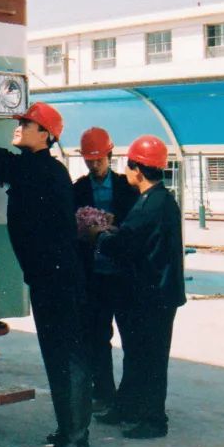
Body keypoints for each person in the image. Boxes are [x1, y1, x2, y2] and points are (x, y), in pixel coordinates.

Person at [0, 102, 92, 447]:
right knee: (61, 356)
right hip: (53, 278)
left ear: (46, 135)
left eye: (28, 123)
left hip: (57, 280)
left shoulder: (40, 169)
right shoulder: (43, 169)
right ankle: (70, 430)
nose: (19, 126)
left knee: (67, 358)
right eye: (20, 121)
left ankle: (77, 440)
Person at [91, 135, 185, 439]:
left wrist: (99, 235)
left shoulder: (150, 205)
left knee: (150, 359)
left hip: (153, 296)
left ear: (138, 170)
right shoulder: (158, 199)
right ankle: (127, 407)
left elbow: (125, 244)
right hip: (152, 293)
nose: (127, 172)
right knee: (136, 355)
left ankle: (153, 420)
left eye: (129, 166)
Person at [72, 127, 138, 412]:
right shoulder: (79, 189)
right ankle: (104, 391)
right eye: (89, 160)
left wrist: (112, 226)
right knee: (97, 336)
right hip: (93, 276)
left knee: (132, 338)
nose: (93, 165)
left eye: (98, 159)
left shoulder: (127, 188)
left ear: (110, 156)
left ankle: (129, 396)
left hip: (121, 276)